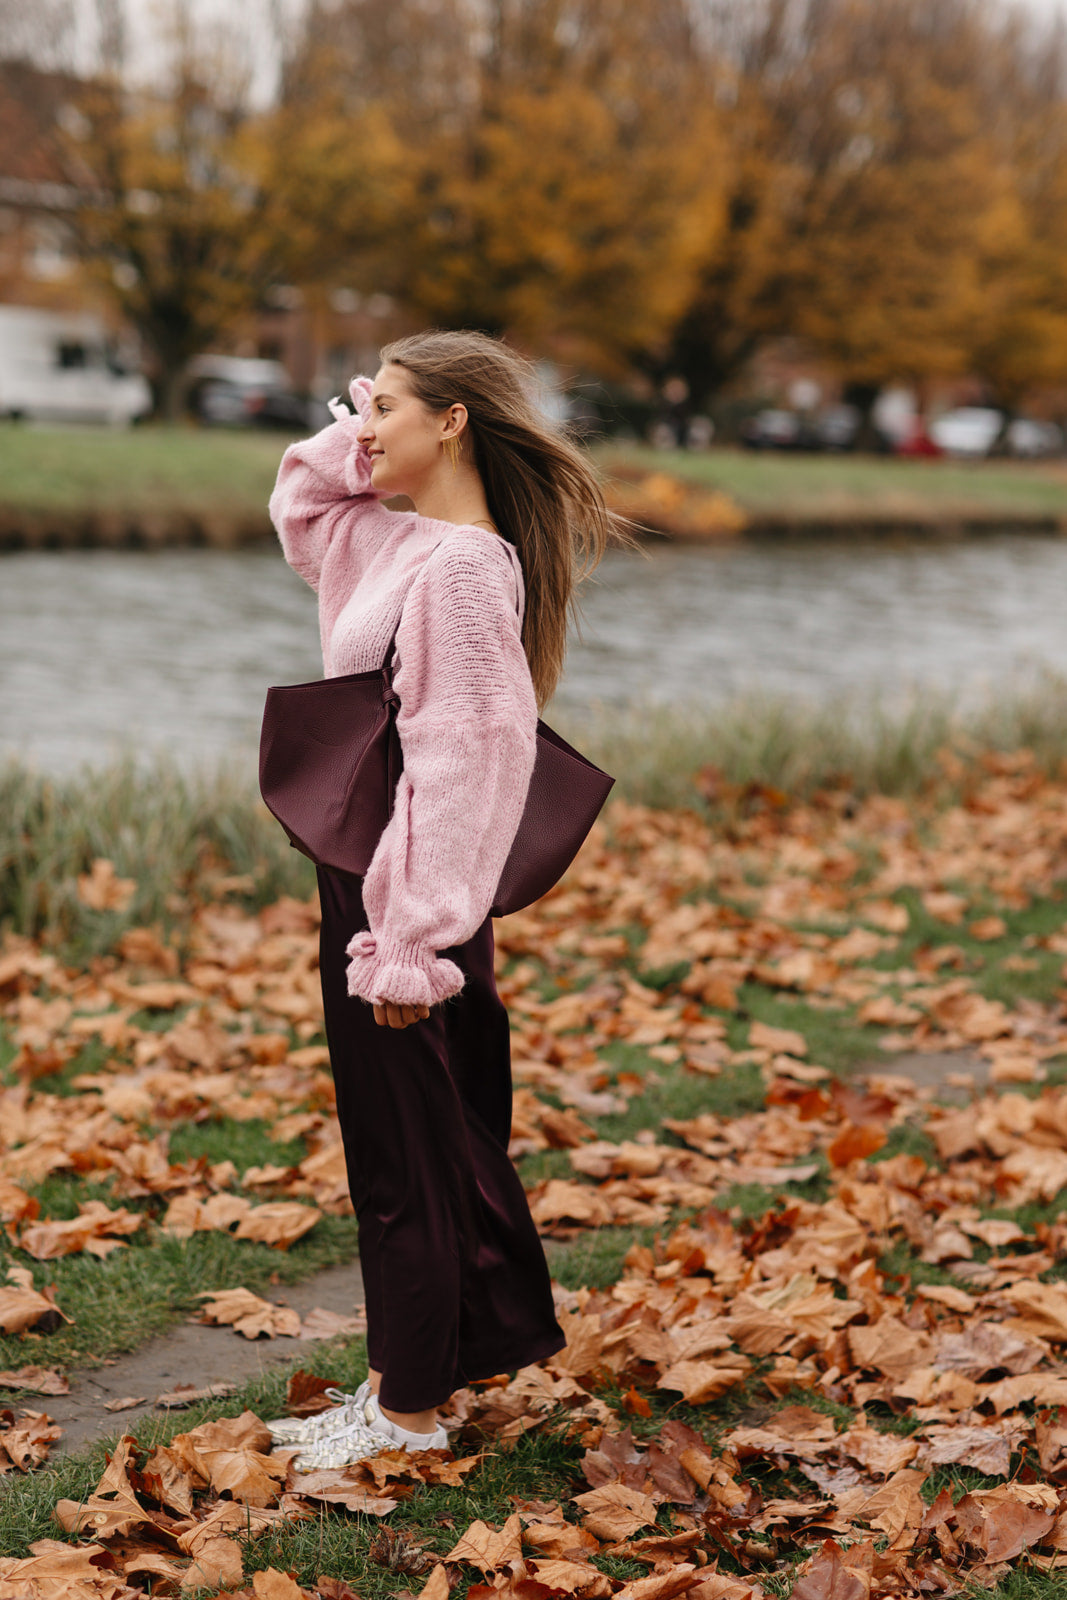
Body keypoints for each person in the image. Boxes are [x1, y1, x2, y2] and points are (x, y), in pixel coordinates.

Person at [264, 329, 617, 1468]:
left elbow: (468, 757)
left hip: (408, 903)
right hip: (374, 882)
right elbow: (302, 511)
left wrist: (411, 942)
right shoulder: (397, 543)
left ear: (453, 421)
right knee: (406, 1137)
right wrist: (355, 434)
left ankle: (408, 1414)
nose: (365, 429)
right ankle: (414, 1381)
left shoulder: (462, 567)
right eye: (365, 406)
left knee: (411, 1150)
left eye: (392, 407)